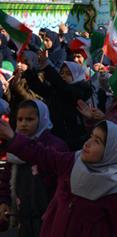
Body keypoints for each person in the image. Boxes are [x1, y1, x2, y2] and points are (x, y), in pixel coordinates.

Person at [0, 119, 117, 237]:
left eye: (97, 141)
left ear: (111, 153)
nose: (88, 143)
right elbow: (42, 155)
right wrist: (13, 138)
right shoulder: (72, 162)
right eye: (91, 136)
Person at [0, 100, 68, 236]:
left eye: (30, 119)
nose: (23, 124)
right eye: (20, 119)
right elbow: (5, 179)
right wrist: (4, 201)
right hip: (23, 218)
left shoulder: (54, 147)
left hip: (48, 217)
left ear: (42, 119)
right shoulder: (13, 147)